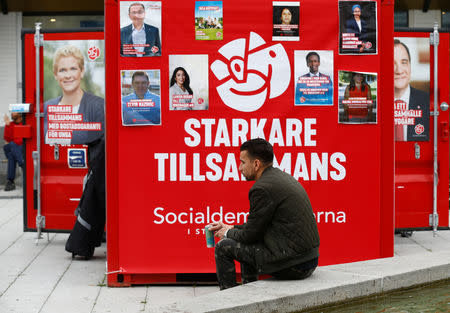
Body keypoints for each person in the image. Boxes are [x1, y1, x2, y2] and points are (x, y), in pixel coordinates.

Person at [209, 138, 320, 290]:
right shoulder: (280, 177)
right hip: (308, 259)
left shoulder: (262, 188)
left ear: (256, 164)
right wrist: (232, 227)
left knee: (223, 247)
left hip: (294, 265)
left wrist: (227, 233)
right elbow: (257, 227)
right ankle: (249, 293)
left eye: (242, 162)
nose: (240, 168)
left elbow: (250, 235)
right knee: (246, 246)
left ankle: (229, 301)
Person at [44, 45, 105, 146]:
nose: (68, 75)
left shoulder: (99, 107)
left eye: (73, 69)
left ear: (82, 72)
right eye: (62, 70)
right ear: (55, 75)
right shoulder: (46, 108)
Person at [394, 39, 430, 141]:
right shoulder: (374, 103)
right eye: (392, 63)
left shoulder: (428, 102)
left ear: (410, 66)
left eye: (404, 62)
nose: (399, 71)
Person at [3, 113, 24, 191]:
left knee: (12, 155)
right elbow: (7, 139)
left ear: (20, 114)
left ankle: (10, 181)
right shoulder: (10, 124)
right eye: (12, 112)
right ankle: (22, 163)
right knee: (11, 145)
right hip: (14, 149)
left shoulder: (24, 123)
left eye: (14, 112)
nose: (12, 114)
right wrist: (8, 126)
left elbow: (24, 140)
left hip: (21, 149)